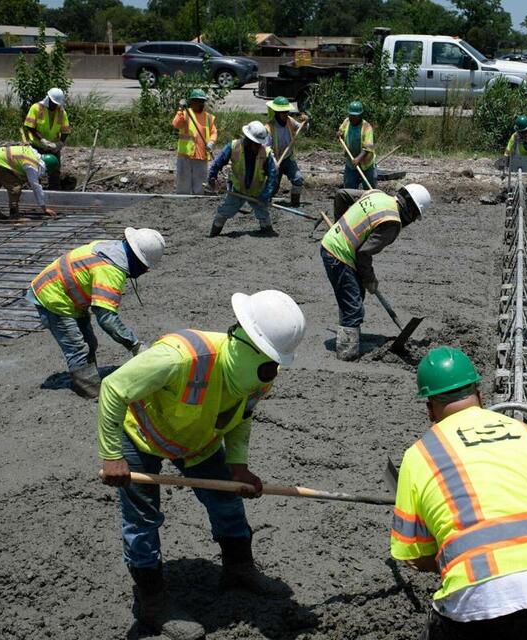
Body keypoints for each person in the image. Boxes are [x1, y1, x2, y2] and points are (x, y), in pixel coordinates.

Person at [98, 290, 306, 640]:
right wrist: (111, 456)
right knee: (143, 519)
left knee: (228, 503)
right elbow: (113, 389)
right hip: (141, 435)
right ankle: (153, 602)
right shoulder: (179, 357)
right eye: (269, 359)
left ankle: (239, 569)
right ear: (243, 340)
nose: (272, 371)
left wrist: (238, 466)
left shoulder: (261, 376)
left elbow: (242, 417)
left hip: (198, 440)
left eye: (276, 360)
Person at [391, 346, 527, 639]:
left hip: (479, 599)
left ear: (429, 408)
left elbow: (413, 556)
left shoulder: (420, 456)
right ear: (480, 395)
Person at [27, 227, 165, 398]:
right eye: (145, 267)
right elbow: (106, 318)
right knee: (77, 348)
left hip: (67, 293)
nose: (145, 271)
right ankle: (90, 390)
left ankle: (89, 378)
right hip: (52, 297)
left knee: (90, 342)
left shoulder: (112, 249)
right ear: (138, 261)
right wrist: (134, 345)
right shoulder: (111, 270)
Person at [320, 184, 430, 360]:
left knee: (354, 295)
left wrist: (338, 225)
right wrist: (370, 279)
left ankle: (348, 332)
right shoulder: (392, 222)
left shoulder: (377, 195)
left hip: (335, 248)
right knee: (353, 307)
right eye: (415, 217)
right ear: (411, 210)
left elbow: (342, 194)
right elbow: (363, 253)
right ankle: (346, 353)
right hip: (338, 255)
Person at [207, 121, 279, 237]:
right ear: (249, 140)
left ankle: (267, 230)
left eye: (259, 144)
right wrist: (212, 176)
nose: (258, 146)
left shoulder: (265, 153)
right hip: (237, 190)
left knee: (264, 215)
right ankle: (213, 235)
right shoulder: (234, 147)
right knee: (223, 213)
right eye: (256, 143)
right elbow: (218, 162)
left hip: (257, 192)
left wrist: (266, 195)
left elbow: (273, 176)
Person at [0, 144, 59, 220]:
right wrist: (44, 208)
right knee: (15, 188)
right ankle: (14, 215)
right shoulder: (32, 165)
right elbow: (35, 186)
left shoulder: (33, 153)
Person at [22, 87, 70, 189]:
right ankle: (34, 189)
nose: (55, 106)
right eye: (53, 103)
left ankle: (55, 189)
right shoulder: (36, 108)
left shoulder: (61, 112)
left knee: (55, 169)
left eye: (57, 104)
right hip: (37, 145)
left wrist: (60, 143)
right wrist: (42, 140)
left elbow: (65, 130)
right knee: (34, 168)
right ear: (48, 99)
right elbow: (29, 126)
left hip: (53, 146)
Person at [172, 88, 217, 195]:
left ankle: (197, 205)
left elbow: (214, 132)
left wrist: (211, 142)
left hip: (201, 156)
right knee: (183, 184)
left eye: (201, 101)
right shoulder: (186, 114)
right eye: (197, 101)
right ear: (192, 102)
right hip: (185, 156)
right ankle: (182, 204)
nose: (199, 103)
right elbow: (176, 124)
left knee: (200, 185)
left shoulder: (208, 117)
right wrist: (180, 110)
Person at [265, 96, 308, 207]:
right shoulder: (269, 127)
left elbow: (302, 128)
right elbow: (267, 149)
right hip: (274, 160)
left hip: (288, 158)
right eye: (283, 112)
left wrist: (305, 122)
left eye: (286, 112)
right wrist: (274, 163)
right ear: (276, 112)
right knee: (273, 186)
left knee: (298, 179)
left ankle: (295, 203)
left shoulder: (290, 121)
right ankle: (265, 203)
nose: (285, 114)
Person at [339, 101, 377, 189]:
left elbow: (367, 147)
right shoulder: (347, 121)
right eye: (351, 115)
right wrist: (339, 133)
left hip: (366, 163)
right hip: (351, 160)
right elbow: (341, 130)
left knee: (369, 187)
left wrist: (358, 158)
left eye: (355, 116)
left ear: (360, 115)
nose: (352, 118)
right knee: (349, 185)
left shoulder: (367, 127)